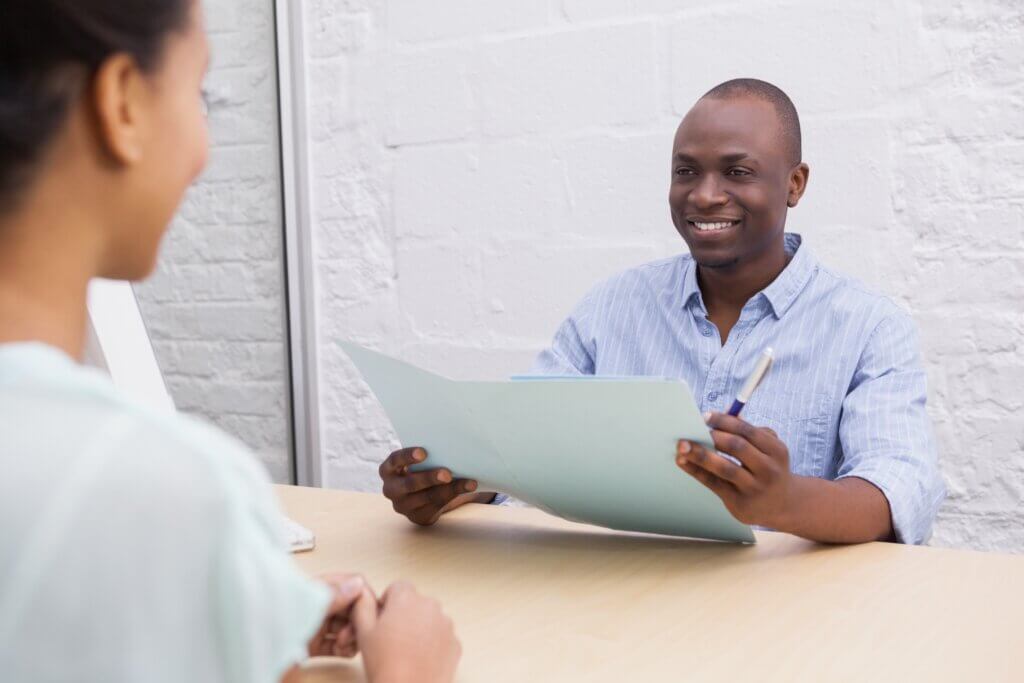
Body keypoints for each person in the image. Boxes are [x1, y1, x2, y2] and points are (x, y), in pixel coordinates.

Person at [0, 1, 460, 681]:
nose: (203, 151)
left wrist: (221, 615)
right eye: (200, 93)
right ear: (122, 103)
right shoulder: (169, 491)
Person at [379, 79, 945, 545]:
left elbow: (894, 492)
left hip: (785, 623)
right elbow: (525, 450)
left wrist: (785, 500)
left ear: (794, 184)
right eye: (686, 171)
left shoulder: (870, 326)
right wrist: (453, 482)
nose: (703, 195)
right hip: (620, 599)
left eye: (737, 172)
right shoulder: (613, 306)